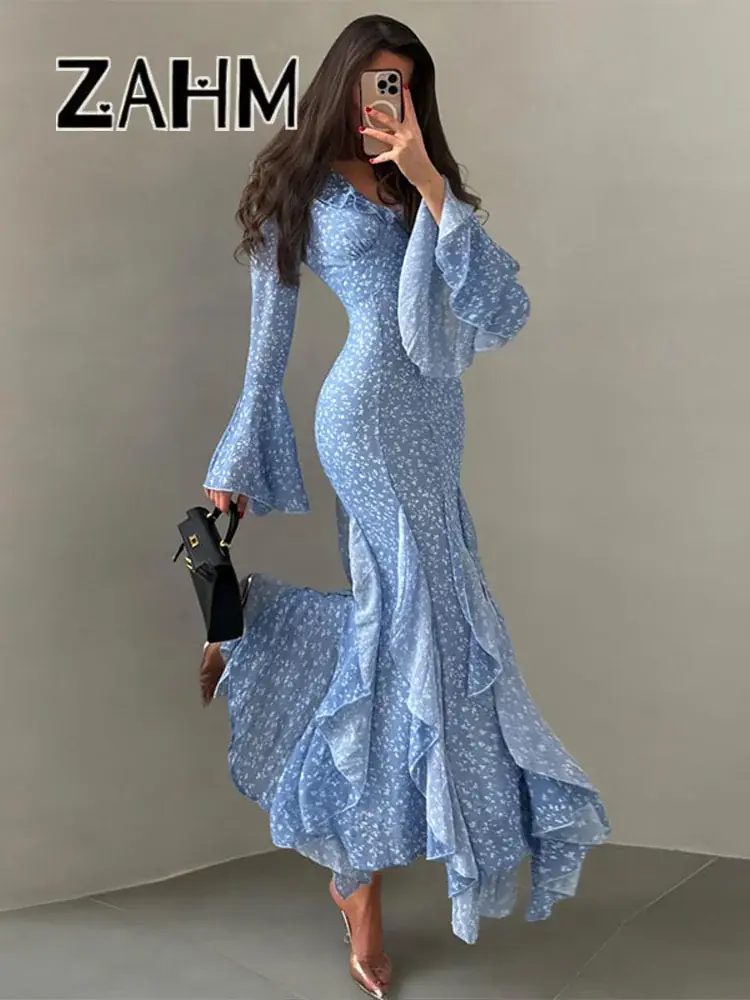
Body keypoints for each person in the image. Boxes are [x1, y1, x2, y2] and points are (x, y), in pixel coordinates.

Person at [200, 14, 610, 999]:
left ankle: (250, 636)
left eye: (406, 83)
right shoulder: (300, 181)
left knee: (420, 631)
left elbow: (498, 308)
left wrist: (429, 184)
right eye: (378, 80)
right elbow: (268, 341)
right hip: (363, 420)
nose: (390, 97)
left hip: (433, 420)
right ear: (344, 80)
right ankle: (359, 881)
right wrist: (237, 454)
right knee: (408, 627)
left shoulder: (423, 179)